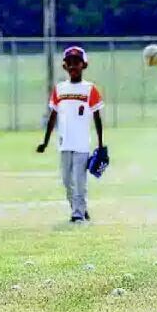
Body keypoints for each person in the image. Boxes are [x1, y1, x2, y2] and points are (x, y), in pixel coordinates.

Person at [36, 46, 105, 223]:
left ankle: (78, 214)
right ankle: (79, 208)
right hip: (64, 142)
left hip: (81, 143)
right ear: (65, 66)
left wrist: (100, 143)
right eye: (69, 63)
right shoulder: (60, 89)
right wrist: (45, 142)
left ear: (84, 65)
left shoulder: (90, 89)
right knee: (67, 181)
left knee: (79, 180)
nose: (73, 66)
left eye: (77, 62)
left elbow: (97, 117)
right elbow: (53, 116)